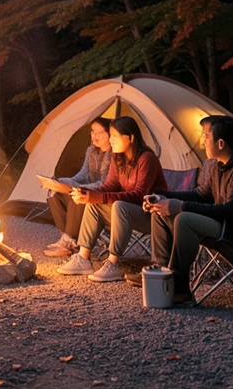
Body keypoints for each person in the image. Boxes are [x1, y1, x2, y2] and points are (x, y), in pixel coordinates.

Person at [131, 114, 233, 306]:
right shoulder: (217, 166)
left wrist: (180, 207)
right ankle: (161, 275)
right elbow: (201, 195)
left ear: (220, 143)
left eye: (206, 136)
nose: (203, 141)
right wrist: (162, 197)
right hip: (226, 224)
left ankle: (180, 288)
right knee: (160, 212)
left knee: (185, 219)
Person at [55, 116, 167, 283]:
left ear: (130, 138)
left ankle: (113, 263)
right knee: (94, 204)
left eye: (114, 136)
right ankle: (83, 258)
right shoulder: (118, 157)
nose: (111, 140)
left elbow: (139, 195)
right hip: (129, 214)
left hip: (152, 216)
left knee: (119, 205)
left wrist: (99, 196)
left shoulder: (146, 159)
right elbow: (109, 185)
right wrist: (87, 194)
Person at [42, 117, 112, 257]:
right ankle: (67, 239)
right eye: (93, 131)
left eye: (100, 132)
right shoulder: (91, 150)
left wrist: (78, 187)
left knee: (78, 195)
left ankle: (69, 242)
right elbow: (82, 174)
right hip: (89, 189)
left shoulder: (114, 155)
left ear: (110, 135)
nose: (95, 136)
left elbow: (104, 183)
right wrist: (62, 182)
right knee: (55, 195)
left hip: (103, 193)